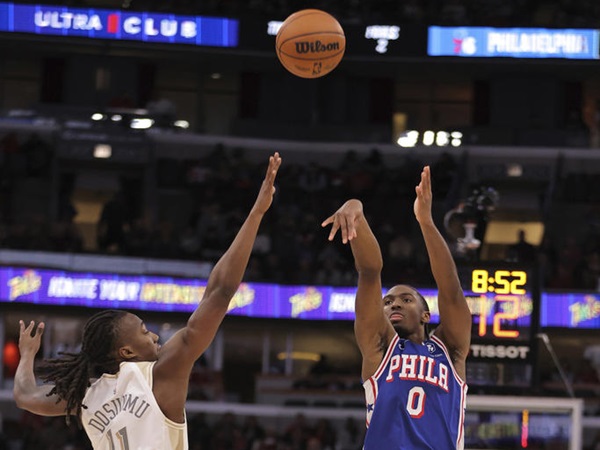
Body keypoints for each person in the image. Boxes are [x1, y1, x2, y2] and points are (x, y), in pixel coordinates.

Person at [13, 152, 282, 450]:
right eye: (143, 331)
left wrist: (27, 355)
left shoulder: (85, 393)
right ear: (126, 351)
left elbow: (26, 396)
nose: (153, 334)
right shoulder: (161, 373)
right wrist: (257, 213)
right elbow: (219, 293)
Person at [322, 166, 471, 449]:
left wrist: (426, 222)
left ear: (426, 315)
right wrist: (356, 211)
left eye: (406, 299)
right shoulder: (379, 347)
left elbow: (450, 289)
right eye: (387, 302)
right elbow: (368, 271)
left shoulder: (449, 350)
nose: (394, 304)